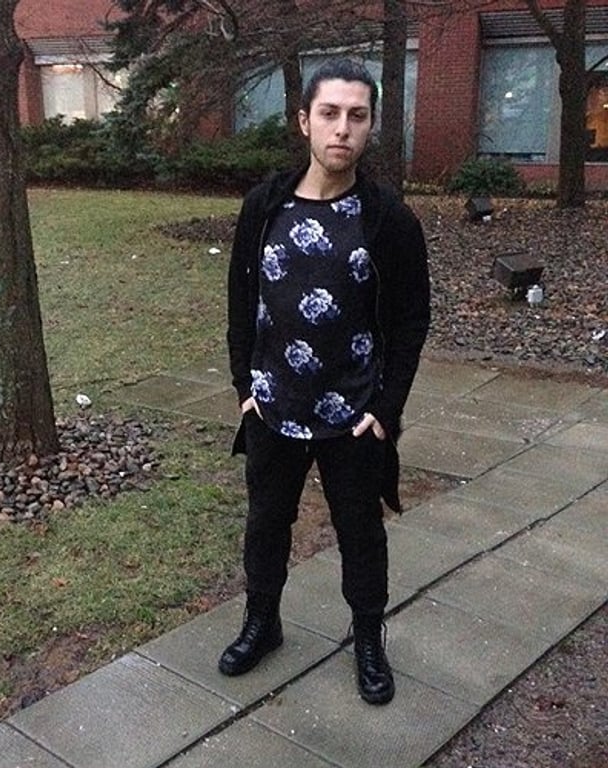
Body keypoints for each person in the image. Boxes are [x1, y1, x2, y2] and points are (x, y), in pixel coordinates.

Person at [220, 58, 430, 706]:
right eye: (330, 113)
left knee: (361, 534)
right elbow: (241, 302)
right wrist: (245, 389)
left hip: (353, 414)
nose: (343, 128)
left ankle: (367, 639)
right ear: (304, 121)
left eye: (357, 116)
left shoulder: (388, 219)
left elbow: (411, 321)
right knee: (266, 524)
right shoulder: (265, 206)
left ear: (370, 126)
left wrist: (386, 410)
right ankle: (263, 622)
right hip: (274, 407)